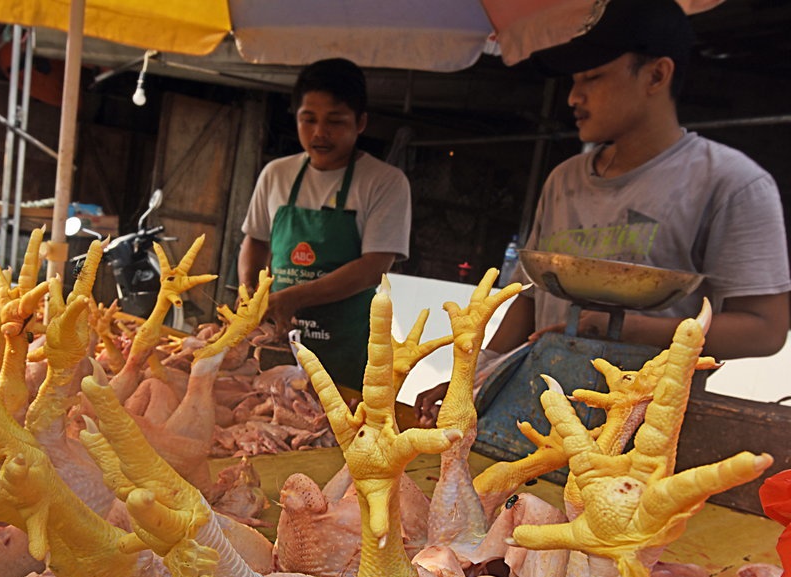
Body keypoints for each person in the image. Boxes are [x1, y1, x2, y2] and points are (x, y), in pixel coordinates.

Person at [415, 0, 790, 424]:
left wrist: (619, 328)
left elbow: (765, 329)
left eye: (593, 77)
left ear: (656, 75)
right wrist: (475, 377)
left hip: (641, 434)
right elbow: (529, 304)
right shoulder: (564, 179)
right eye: (575, 80)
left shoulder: (730, 182)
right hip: (530, 419)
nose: (574, 96)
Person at [238, 58, 412, 389]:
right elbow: (256, 240)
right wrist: (249, 289)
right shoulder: (277, 174)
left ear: (360, 122)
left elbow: (375, 266)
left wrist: (292, 297)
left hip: (344, 346)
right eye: (308, 119)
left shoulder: (385, 182)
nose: (319, 133)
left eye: (335, 121)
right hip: (276, 341)